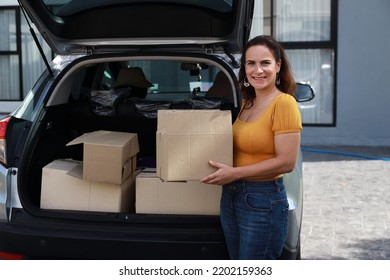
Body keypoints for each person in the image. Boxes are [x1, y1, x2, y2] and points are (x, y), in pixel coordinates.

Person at [200, 35, 302, 260]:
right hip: (232, 195)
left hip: (262, 199)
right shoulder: (248, 102)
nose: (258, 70)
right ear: (244, 68)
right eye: (251, 63)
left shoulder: (284, 103)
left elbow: (286, 161)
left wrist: (234, 173)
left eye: (265, 63)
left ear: (278, 65)